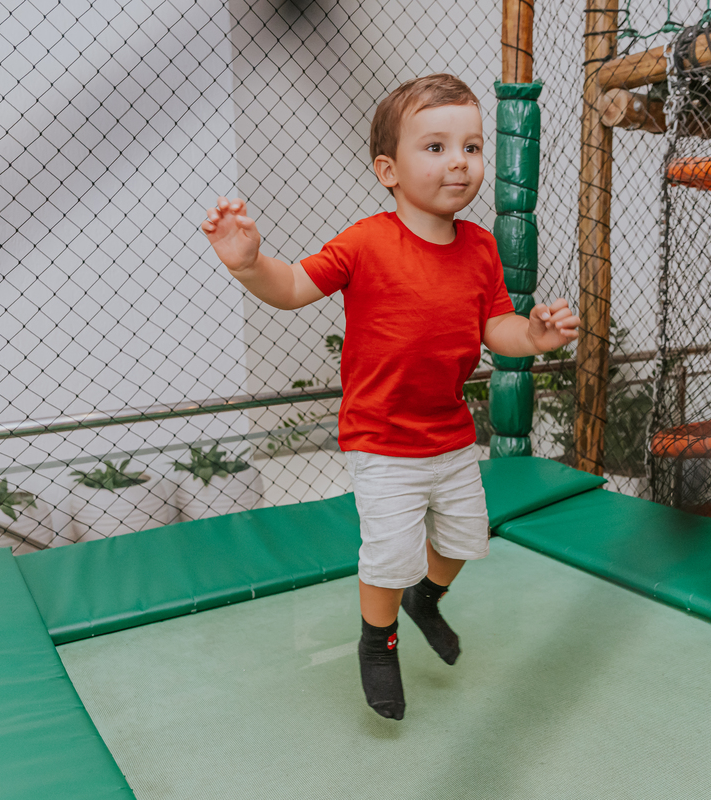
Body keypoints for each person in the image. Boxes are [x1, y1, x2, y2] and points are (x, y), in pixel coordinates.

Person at [201, 74, 579, 720]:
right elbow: (292, 287)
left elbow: (499, 332)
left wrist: (535, 334)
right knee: (390, 552)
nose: (458, 161)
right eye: (435, 147)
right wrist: (248, 263)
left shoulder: (482, 249)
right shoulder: (366, 242)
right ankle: (378, 641)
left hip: (450, 434)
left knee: (463, 539)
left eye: (472, 146)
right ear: (389, 170)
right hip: (380, 436)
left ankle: (424, 598)